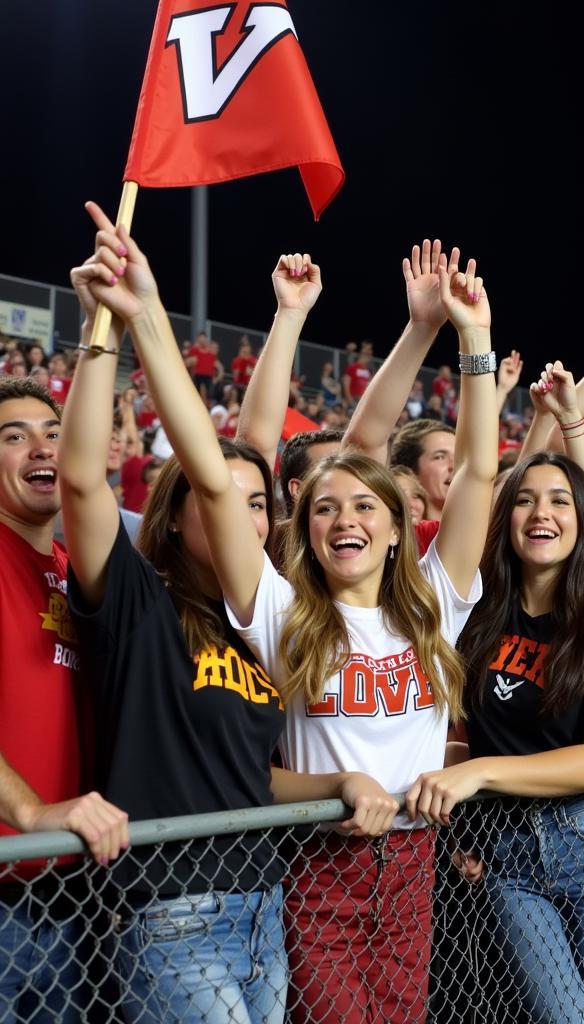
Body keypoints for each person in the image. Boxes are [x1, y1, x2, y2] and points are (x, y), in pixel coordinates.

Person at [122, 234, 495, 1022]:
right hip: (320, 864)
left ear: (399, 527)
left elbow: (479, 474)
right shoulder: (283, 613)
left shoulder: (432, 603)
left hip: (413, 866)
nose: (344, 518)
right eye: (324, 507)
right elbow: (218, 486)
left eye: (365, 506)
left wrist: (473, 341)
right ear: (304, 531)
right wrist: (149, 316)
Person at [60, 208, 340, 1023]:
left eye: (264, 507)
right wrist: (106, 330)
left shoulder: (267, 621)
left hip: (262, 905)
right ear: (177, 514)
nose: (248, 518)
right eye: (225, 503)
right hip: (170, 914)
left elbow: (251, 777)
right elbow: (84, 484)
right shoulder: (139, 601)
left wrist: (336, 784)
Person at [408, 364, 584, 1024]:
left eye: (559, 501)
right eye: (524, 499)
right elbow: (458, 731)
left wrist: (484, 773)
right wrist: (463, 808)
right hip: (506, 855)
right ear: (505, 518)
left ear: (583, 522)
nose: (540, 512)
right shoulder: (474, 615)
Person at [0, 372, 128, 1022]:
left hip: (68, 895)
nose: (43, 449)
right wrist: (28, 812)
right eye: (15, 437)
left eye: (53, 433)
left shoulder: (72, 567)